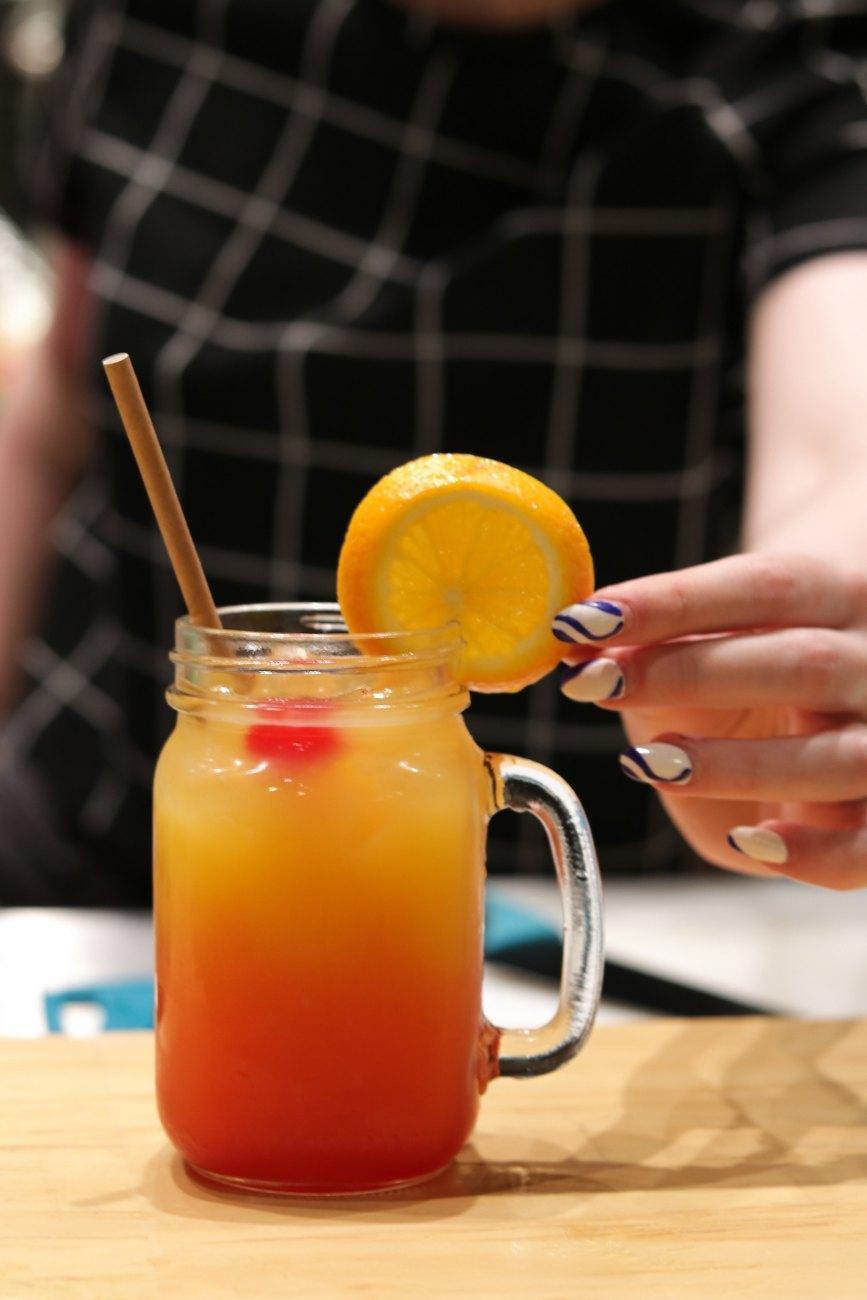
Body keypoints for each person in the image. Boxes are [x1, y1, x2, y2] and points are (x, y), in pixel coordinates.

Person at [0, 0, 865, 904]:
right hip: (109, 835)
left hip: (572, 894)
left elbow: (839, 445)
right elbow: (58, 409)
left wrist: (812, 634)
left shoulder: (788, 54)